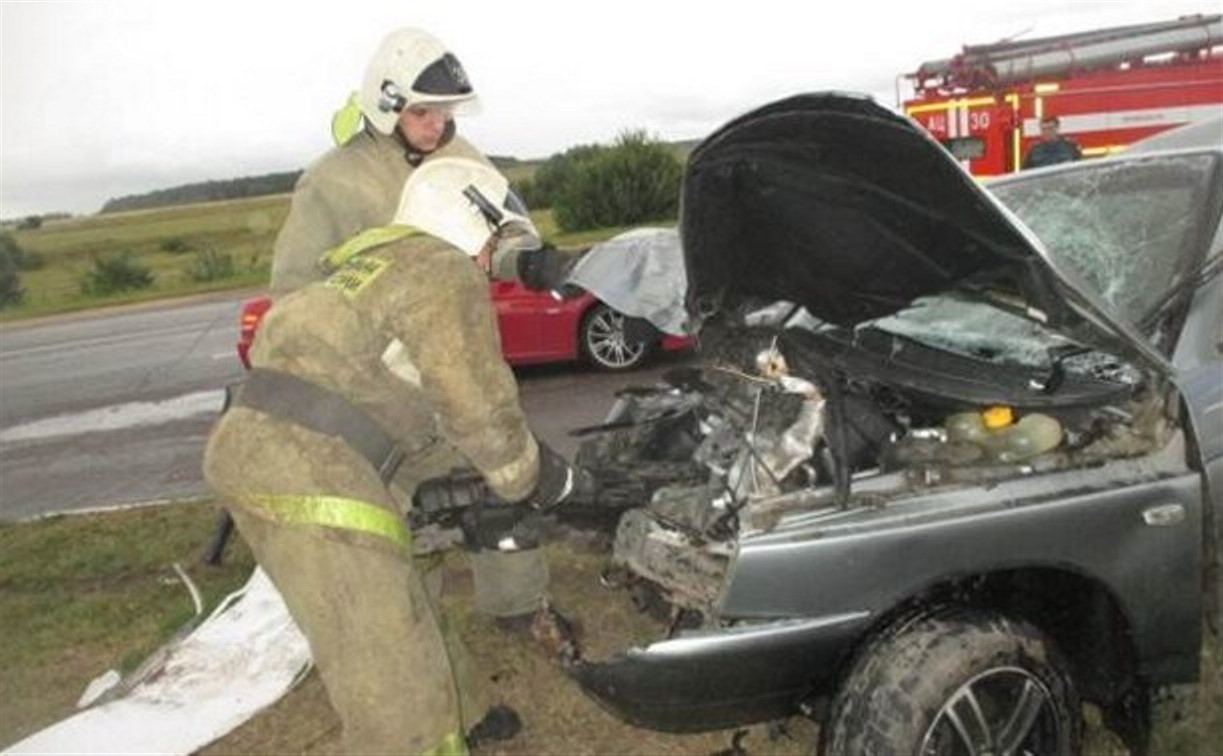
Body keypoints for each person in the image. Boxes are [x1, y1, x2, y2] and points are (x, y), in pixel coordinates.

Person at [203, 157, 590, 753]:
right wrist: (530, 476)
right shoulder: (440, 268)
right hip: (313, 471)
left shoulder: (360, 270)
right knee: (386, 671)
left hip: (255, 450)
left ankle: (467, 712)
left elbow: (385, 398)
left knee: (408, 596)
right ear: (470, 223)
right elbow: (477, 406)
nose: (492, 260)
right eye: (494, 240)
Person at [266, 27, 565, 644]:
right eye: (423, 112)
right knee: (401, 506)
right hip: (383, 379)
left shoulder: (463, 158)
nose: (437, 126)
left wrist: (524, 258)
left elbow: (500, 229)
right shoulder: (332, 183)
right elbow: (293, 292)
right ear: (385, 102)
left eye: (445, 112)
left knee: (502, 469)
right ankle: (416, 622)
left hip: (460, 356)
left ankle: (517, 604)